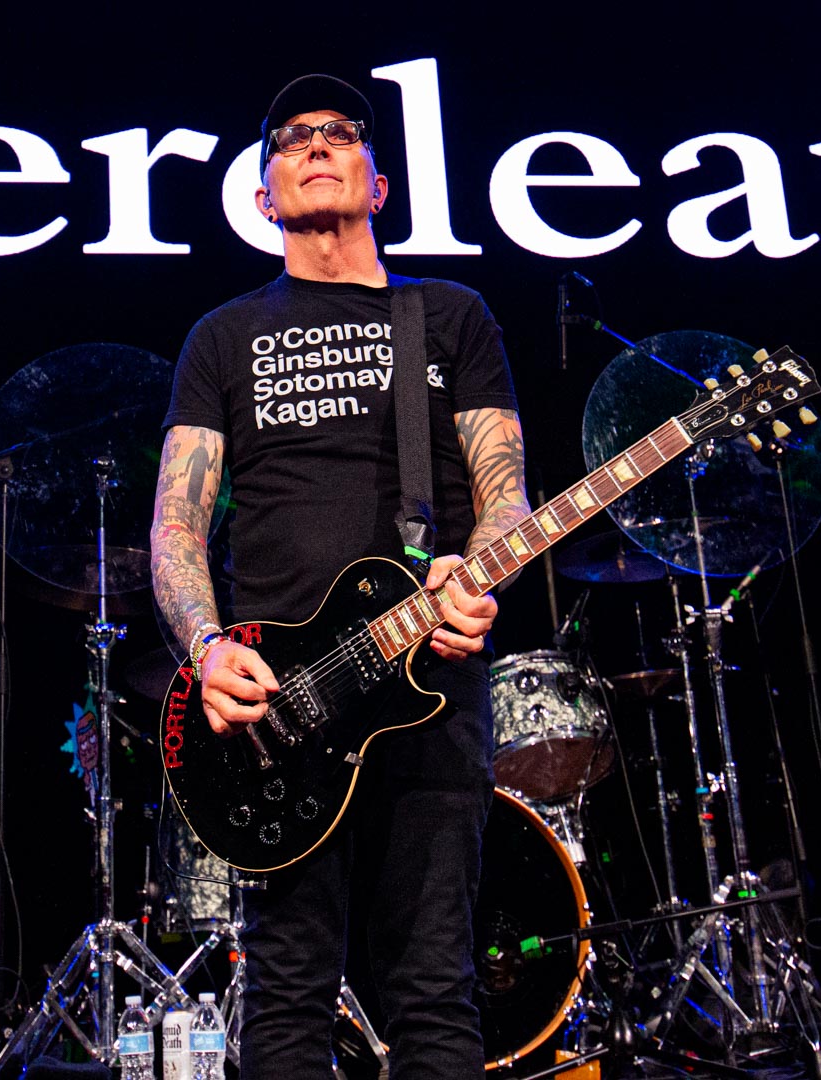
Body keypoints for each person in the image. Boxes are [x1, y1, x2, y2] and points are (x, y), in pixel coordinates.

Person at [149, 72, 531, 1080]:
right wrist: (207, 649)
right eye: (291, 137)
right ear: (263, 197)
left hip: (428, 685)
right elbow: (177, 527)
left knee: (434, 989)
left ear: (379, 184)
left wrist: (472, 573)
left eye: (340, 131)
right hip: (279, 706)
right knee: (286, 994)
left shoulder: (448, 315)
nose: (316, 143)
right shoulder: (222, 337)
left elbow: (505, 495)